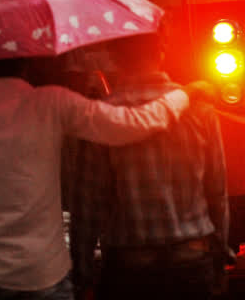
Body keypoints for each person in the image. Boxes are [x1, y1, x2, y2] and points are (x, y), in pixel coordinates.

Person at [0, 57, 212, 300]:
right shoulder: (52, 102)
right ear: (27, 63)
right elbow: (130, 123)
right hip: (42, 270)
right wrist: (182, 95)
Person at [70, 35, 230, 300]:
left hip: (129, 268)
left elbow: (87, 207)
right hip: (192, 259)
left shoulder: (100, 116)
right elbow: (217, 193)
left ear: (114, 56)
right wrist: (221, 252)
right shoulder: (200, 110)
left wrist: (82, 273)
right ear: (162, 50)